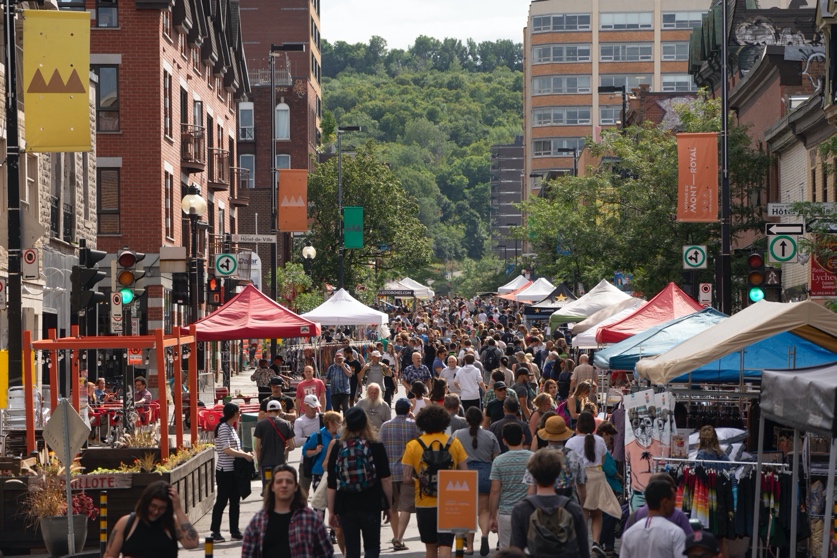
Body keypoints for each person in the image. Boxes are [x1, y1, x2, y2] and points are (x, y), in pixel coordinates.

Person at [402, 405, 470, 558]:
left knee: (430, 548)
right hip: (449, 503)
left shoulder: (413, 445)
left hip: (424, 503)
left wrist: (421, 482)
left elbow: (406, 479)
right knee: (446, 545)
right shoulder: (454, 443)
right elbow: (465, 475)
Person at [327, 407, 393, 558]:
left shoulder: (338, 446)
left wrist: (331, 511)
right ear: (366, 424)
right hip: (371, 502)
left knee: (352, 548)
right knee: (372, 547)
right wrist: (388, 505)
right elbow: (385, 479)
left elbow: (332, 483)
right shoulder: (375, 445)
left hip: (346, 504)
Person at [241, 464, 334, 558]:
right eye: (279, 481)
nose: (284, 485)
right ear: (272, 487)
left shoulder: (311, 519)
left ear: (296, 487)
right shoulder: (257, 522)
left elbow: (326, 554)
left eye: (289, 482)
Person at [509, 449, 589, 558]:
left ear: (533, 474)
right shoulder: (573, 509)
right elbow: (584, 552)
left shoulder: (521, 510)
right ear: (557, 474)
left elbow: (515, 552)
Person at [564, 412, 621, 557]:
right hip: (597, 478)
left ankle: (583, 543)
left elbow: (569, 464)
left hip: (580, 479)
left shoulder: (571, 442)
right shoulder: (600, 441)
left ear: (578, 426)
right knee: (597, 513)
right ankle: (596, 542)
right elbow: (602, 462)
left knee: (583, 512)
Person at [104, 481, 199, 558]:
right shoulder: (126, 523)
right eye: (153, 506)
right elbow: (110, 555)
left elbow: (192, 543)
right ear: (145, 503)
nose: (156, 512)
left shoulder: (172, 523)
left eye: (162, 508)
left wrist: (178, 509)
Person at [454, 407, 500, 555]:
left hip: (465, 474)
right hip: (486, 473)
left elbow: (452, 455)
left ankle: (470, 546)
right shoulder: (490, 436)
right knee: (483, 510)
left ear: (466, 420)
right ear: (481, 419)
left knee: (468, 511)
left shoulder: (457, 435)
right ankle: (485, 535)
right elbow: (496, 457)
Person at [380, 398, 420, 552]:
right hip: (408, 471)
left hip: (389, 472)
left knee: (393, 507)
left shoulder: (385, 426)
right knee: (407, 506)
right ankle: (399, 538)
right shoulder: (414, 426)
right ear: (409, 409)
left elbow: (380, 446)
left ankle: (396, 535)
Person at [210, 403, 253, 542]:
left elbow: (235, 448)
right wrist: (244, 456)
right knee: (222, 500)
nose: (240, 414)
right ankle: (215, 531)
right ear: (234, 413)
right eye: (239, 412)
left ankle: (234, 530)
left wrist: (246, 454)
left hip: (234, 470)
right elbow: (226, 449)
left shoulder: (231, 428)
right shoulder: (223, 428)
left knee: (235, 501)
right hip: (225, 470)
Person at [489, 423, 533, 550]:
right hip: (528, 511)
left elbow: (495, 490)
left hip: (506, 513)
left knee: (506, 549)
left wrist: (492, 516)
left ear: (504, 441)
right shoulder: (533, 458)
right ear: (523, 437)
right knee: (527, 549)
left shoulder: (498, 461)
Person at [524, 416, 587, 504]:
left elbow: (531, 490)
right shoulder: (576, 457)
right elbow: (582, 490)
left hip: (543, 508)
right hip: (569, 508)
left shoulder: (536, 458)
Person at [620, 480, 686, 558]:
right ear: (665, 502)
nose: (675, 504)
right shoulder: (675, 533)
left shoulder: (629, 534)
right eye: (673, 500)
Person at [596, 421, 623, 556]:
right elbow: (609, 469)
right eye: (610, 436)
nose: (611, 440)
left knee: (610, 518)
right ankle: (600, 543)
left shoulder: (602, 448)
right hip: (608, 486)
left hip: (607, 485)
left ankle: (609, 547)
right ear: (605, 434)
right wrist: (620, 477)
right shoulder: (602, 449)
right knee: (609, 517)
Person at [253, 400, 295, 485]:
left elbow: (258, 448)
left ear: (267, 411)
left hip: (266, 463)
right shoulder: (287, 424)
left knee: (268, 487)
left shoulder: (260, 425)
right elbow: (292, 446)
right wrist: (285, 449)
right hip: (280, 463)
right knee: (280, 486)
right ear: (280, 410)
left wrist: (260, 463)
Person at [301, 411, 343, 495]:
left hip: (336, 473)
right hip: (319, 473)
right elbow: (305, 452)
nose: (341, 425)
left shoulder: (341, 436)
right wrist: (315, 451)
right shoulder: (317, 436)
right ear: (330, 424)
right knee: (319, 503)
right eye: (339, 423)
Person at [294, 394, 323, 495]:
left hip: (321, 458)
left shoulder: (322, 418)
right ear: (305, 406)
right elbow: (297, 441)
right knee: (303, 491)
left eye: (316, 407)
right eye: (312, 407)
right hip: (306, 459)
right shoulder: (299, 421)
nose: (315, 409)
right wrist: (312, 439)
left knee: (321, 492)